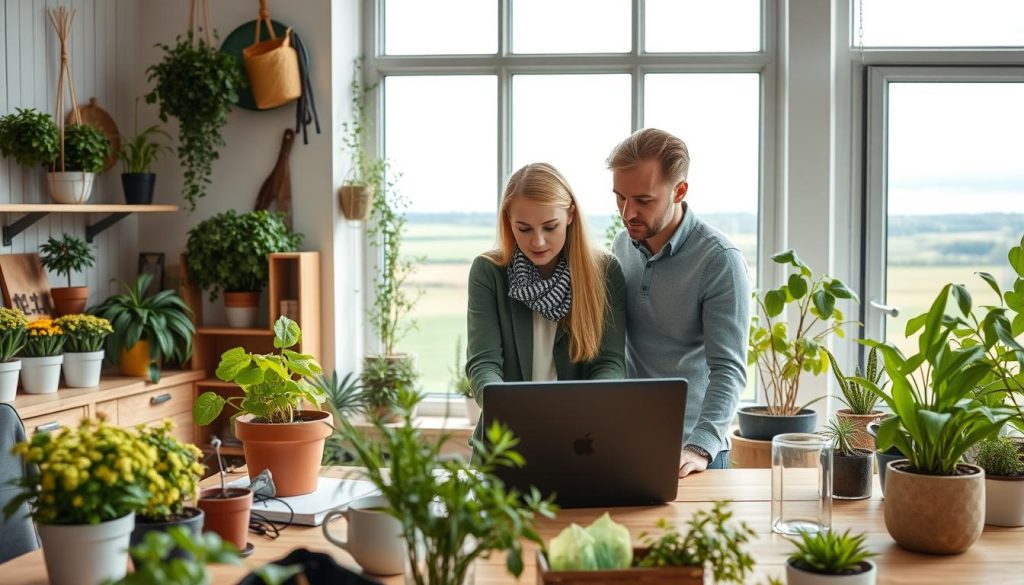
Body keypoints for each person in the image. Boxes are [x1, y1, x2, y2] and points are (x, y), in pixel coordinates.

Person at [607, 128, 751, 477]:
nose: (628, 213)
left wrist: (699, 447)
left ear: (679, 190)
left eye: (643, 200)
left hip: (695, 455)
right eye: (619, 197)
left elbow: (728, 369)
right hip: (629, 443)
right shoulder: (622, 246)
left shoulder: (719, 260)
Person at [466, 162, 626, 439]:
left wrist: (590, 411)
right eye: (524, 229)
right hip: (505, 436)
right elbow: (483, 364)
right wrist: (509, 411)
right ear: (508, 221)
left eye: (549, 227)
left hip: (581, 437)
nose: (537, 242)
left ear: (570, 215)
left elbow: (609, 363)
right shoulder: (488, 272)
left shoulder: (604, 271)